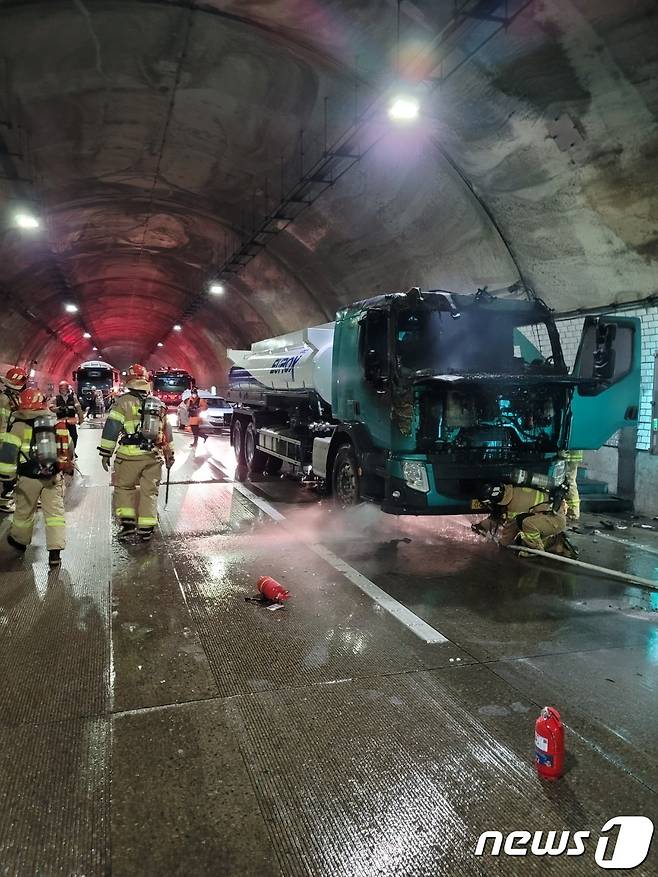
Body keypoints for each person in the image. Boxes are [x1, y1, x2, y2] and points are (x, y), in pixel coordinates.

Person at [98, 363, 174, 542]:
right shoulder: (158, 404)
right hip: (152, 457)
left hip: (128, 456)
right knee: (149, 492)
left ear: (129, 381)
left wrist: (105, 453)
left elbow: (112, 429)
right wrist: (170, 455)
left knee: (124, 488)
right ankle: (146, 528)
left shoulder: (122, 403)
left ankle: (128, 525)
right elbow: (167, 433)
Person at [0, 388, 73, 567]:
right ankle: (55, 552)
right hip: (52, 476)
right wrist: (66, 465)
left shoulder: (17, 426)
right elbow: (69, 447)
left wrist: (7, 480)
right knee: (55, 514)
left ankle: (20, 542)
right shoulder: (55, 422)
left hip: (27, 477)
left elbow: (8, 455)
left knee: (24, 513)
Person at [473, 482, 575, 556]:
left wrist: (502, 543)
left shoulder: (514, 505)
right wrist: (482, 525)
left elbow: (511, 528)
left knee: (526, 523)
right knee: (524, 533)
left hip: (555, 520)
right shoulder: (513, 491)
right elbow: (499, 517)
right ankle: (557, 542)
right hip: (552, 517)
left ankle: (535, 550)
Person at [0, 366, 28, 513]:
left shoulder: (12, 396)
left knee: (10, 472)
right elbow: (4, 421)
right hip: (6, 439)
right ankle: (3, 500)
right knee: (6, 473)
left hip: (10, 438)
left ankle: (7, 497)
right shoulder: (5, 398)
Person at [53, 380, 84, 452]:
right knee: (61, 438)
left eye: (64, 388)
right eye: (61, 389)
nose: (63, 390)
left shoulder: (73, 398)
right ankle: (62, 452)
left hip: (71, 422)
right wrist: (59, 409)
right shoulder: (56, 399)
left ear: (67, 389)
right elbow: (51, 408)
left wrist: (81, 419)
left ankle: (73, 451)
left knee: (74, 437)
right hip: (61, 423)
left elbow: (78, 408)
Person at [560, 449, 583, 521]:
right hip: (572, 455)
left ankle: (573, 512)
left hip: (569, 456)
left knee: (569, 482)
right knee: (570, 481)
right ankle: (572, 511)